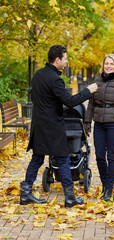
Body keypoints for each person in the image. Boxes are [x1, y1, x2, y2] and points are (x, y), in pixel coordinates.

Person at [20, 45, 98, 207]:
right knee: (63, 159)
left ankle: (25, 193)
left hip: (39, 125)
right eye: (65, 58)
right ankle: (70, 198)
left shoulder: (38, 75)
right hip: (52, 127)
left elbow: (39, 99)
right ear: (57, 60)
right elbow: (70, 102)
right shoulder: (55, 79)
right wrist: (88, 90)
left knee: (37, 158)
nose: (67, 61)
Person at [85, 54, 114, 201]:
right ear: (103, 65)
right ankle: (105, 184)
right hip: (99, 123)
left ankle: (109, 188)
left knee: (111, 155)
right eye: (107, 63)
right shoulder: (97, 80)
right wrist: (87, 121)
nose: (109, 66)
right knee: (99, 156)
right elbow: (91, 103)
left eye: (112, 64)